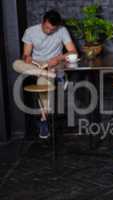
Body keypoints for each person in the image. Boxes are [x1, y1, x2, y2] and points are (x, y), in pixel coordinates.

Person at [13, 10, 77, 139]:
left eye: (52, 29)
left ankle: (43, 120)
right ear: (42, 22)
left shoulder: (62, 30)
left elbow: (73, 52)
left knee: (42, 83)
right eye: (47, 28)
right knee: (16, 64)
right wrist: (27, 58)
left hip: (54, 64)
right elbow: (25, 55)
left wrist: (58, 59)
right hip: (37, 65)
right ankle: (55, 77)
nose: (49, 31)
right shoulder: (30, 31)